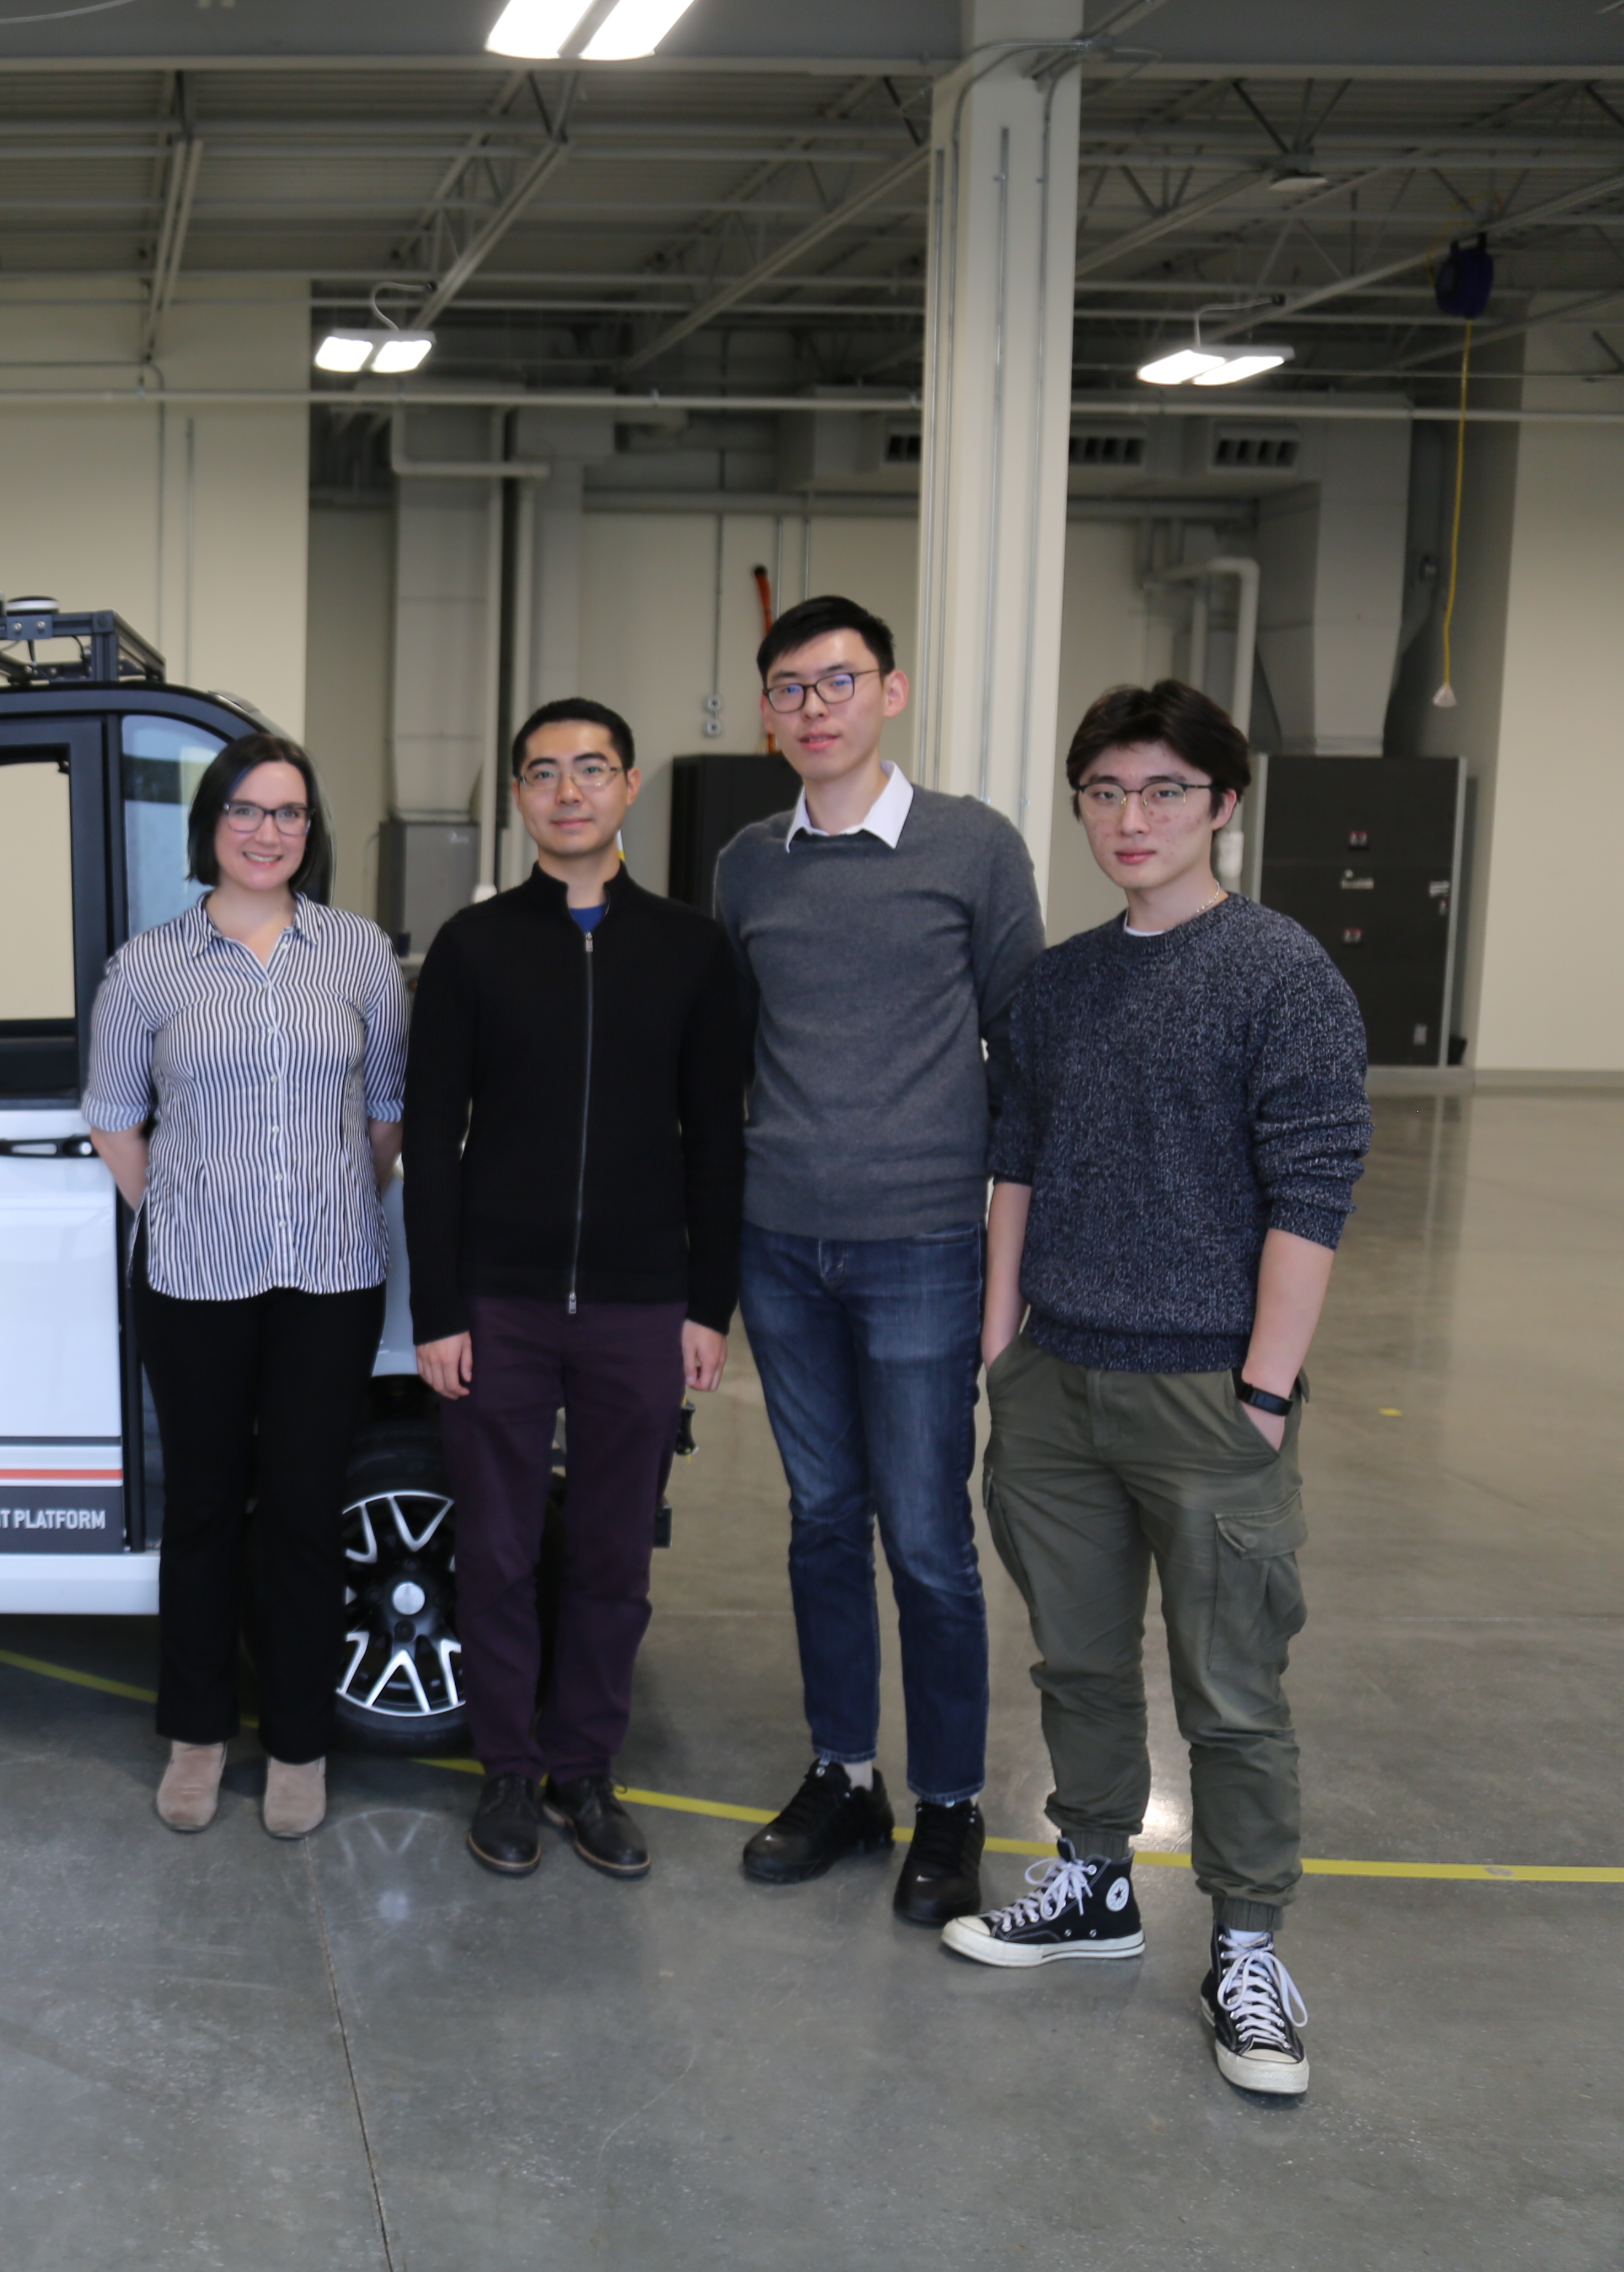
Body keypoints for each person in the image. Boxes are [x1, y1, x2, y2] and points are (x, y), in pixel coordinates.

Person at [942, 681, 1367, 2100]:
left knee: (1232, 1693)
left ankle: (1248, 1944)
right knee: (1076, 1661)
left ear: (1222, 806)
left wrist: (1264, 1390)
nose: (1133, 819)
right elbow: (1016, 1163)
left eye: (1165, 792)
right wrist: (1005, 1348)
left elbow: (1312, 1192)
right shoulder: (1057, 983)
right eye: (1108, 793)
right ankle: (1094, 1882)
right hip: (1057, 1386)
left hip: (1206, 1399)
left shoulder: (1281, 972)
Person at [714, 593, 1044, 1927]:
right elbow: (727, 1048)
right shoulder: (747, 863)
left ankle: (951, 1802)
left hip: (921, 1244)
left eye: (837, 682)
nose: (814, 708)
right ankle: (846, 1775)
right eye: (788, 689)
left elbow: (1025, 1057)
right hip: (778, 1240)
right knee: (819, 1523)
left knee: (925, 1536)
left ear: (889, 694)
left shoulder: (973, 848)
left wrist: (1009, 1265)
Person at [405, 700, 752, 1882]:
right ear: (518, 796)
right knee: (496, 1552)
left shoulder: (694, 951)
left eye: (590, 770)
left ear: (629, 786)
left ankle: (584, 1770)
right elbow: (431, 1139)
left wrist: (710, 1305)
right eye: (544, 773)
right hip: (496, 1300)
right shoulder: (472, 946)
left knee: (613, 1556)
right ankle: (507, 1768)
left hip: (639, 1303)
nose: (569, 791)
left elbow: (717, 1136)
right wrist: (437, 1311)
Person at [85, 733, 405, 1843]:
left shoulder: (359, 956)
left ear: (309, 833)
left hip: (329, 1278)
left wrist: (330, 1200)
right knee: (209, 1511)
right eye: (247, 810)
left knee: (309, 1513)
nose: (269, 832)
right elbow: (115, 1118)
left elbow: (386, 1115)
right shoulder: (148, 965)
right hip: (193, 1280)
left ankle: (301, 1745)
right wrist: (181, 1205)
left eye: (290, 814)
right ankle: (198, 1736)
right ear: (209, 823)